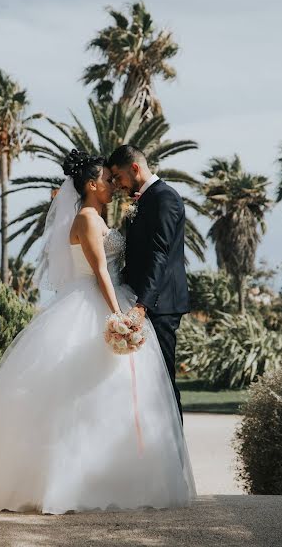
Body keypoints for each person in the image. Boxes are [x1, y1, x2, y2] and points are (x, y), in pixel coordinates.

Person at [0, 149, 196, 514]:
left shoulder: (112, 213)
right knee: (83, 393)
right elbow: (99, 273)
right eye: (109, 180)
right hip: (99, 302)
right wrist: (120, 315)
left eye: (117, 178)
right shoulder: (86, 218)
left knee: (120, 393)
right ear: (92, 184)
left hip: (124, 299)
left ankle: (122, 476)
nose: (115, 185)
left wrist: (131, 307)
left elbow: (149, 255)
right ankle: (69, 483)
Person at [108, 145, 189, 422]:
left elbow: (160, 254)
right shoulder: (146, 198)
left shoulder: (165, 198)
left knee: (163, 381)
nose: (117, 185)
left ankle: (176, 454)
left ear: (134, 169)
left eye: (118, 177)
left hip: (160, 304)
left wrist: (142, 305)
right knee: (143, 382)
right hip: (141, 300)